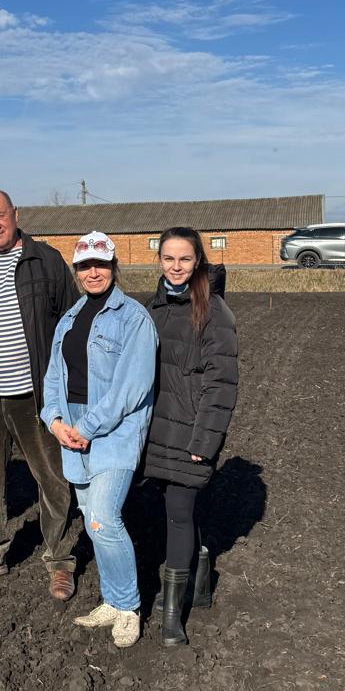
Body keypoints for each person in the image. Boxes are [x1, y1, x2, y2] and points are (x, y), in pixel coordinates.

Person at [0, 190, 80, 600]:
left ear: (15, 215)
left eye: (1, 215)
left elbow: (70, 320)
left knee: (51, 477)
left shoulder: (45, 260)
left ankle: (59, 561)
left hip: (34, 394)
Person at [41, 232, 157, 647]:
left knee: (103, 518)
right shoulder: (69, 319)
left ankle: (127, 607)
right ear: (76, 272)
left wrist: (87, 427)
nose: (94, 272)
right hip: (70, 431)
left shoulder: (134, 318)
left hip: (113, 433)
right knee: (92, 523)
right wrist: (54, 420)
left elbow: (133, 387)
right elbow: (53, 376)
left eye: (101, 265)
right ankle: (111, 598)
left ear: (114, 267)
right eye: (86, 266)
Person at [143, 227, 239, 646]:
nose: (176, 267)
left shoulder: (214, 311)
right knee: (172, 507)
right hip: (155, 429)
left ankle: (170, 612)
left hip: (191, 433)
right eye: (169, 258)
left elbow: (222, 385)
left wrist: (204, 442)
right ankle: (200, 574)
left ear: (197, 260)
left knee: (179, 513)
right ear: (159, 261)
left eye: (184, 259)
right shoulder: (154, 307)